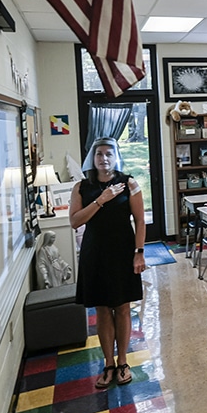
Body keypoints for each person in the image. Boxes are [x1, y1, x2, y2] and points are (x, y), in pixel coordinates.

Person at [71, 137, 146, 390]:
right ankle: (108, 363)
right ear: (93, 158)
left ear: (116, 157)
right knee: (102, 309)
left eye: (109, 154)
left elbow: (140, 221)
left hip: (123, 252)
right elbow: (75, 222)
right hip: (95, 254)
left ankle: (123, 362)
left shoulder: (129, 183)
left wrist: (139, 252)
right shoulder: (82, 187)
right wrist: (100, 200)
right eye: (99, 154)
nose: (104, 158)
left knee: (123, 307)